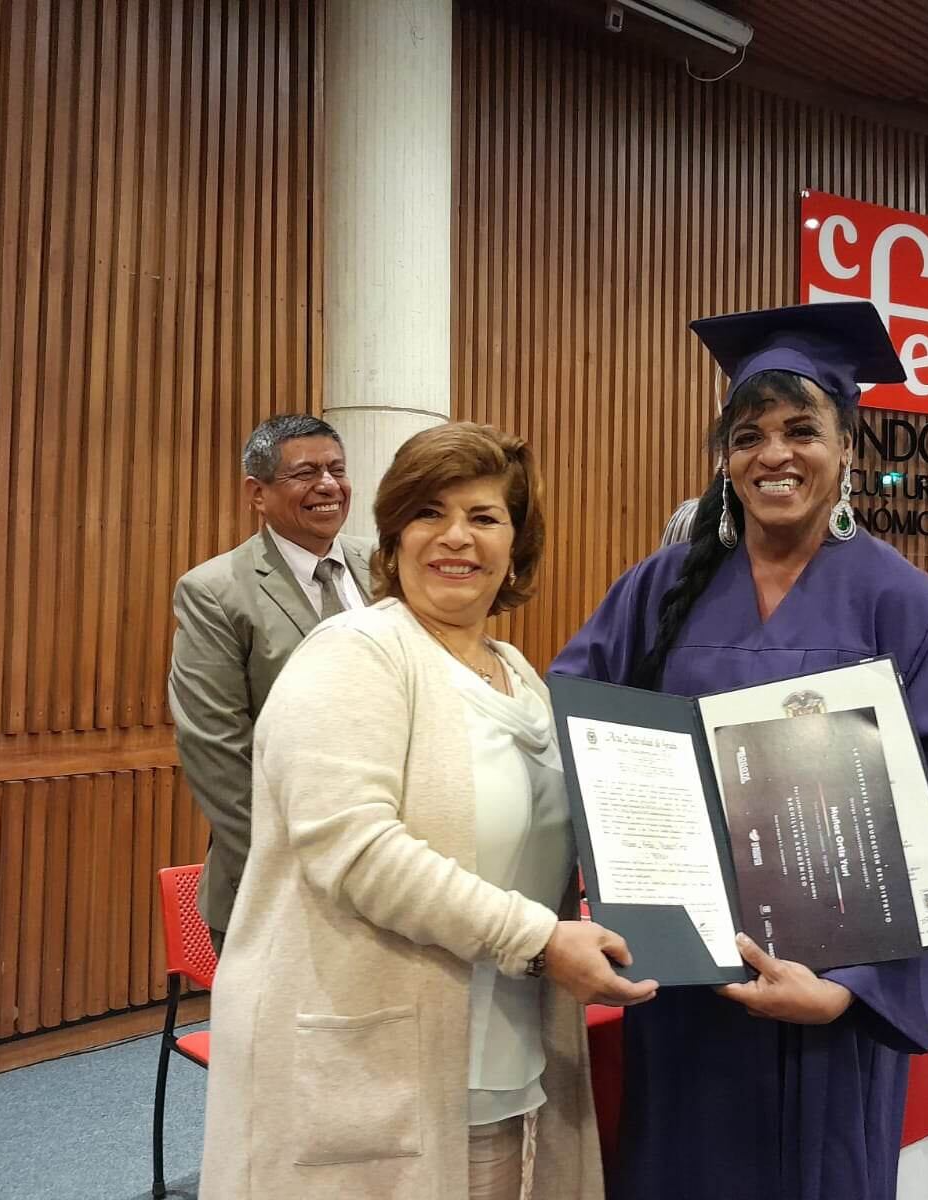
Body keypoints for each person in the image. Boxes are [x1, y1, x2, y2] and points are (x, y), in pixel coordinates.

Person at [550, 301, 928, 1200]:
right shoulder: (661, 585)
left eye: (803, 429)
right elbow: (576, 726)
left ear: (846, 448)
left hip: (828, 987)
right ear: (726, 458)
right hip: (684, 986)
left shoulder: (905, 604)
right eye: (748, 435)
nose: (774, 454)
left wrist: (859, 990)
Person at [200, 422, 654, 1200]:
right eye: (428, 514)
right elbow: (359, 851)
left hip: (513, 1063)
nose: (456, 539)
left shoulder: (519, 677)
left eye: (484, 518)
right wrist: (541, 941)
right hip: (377, 1075)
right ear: (392, 537)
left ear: (517, 543)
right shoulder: (356, 653)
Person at [168, 414, 375, 956]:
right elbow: (215, 750)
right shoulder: (214, 591)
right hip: (278, 882)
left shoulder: (383, 566)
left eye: (337, 470)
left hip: (383, 870)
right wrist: (295, 864)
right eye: (305, 473)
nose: (328, 486)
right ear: (257, 494)